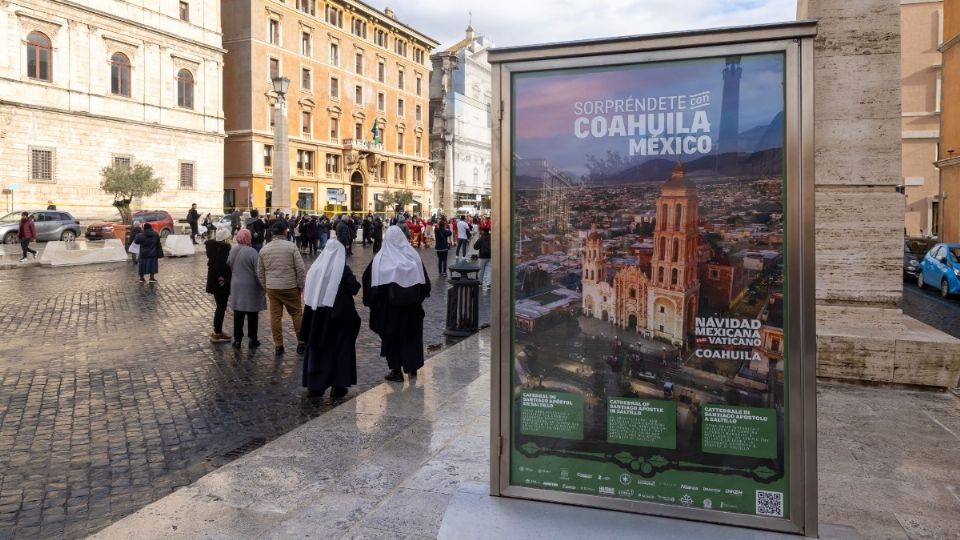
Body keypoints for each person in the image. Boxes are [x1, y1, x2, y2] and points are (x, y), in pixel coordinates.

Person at [362, 226, 431, 382]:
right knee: (411, 337)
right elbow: (425, 285)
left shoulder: (380, 261)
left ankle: (396, 370)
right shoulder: (414, 257)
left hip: (389, 312)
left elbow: (370, 285)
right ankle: (412, 366)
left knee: (392, 338)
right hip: (411, 310)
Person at [300, 238, 361, 398]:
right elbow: (354, 288)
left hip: (316, 315)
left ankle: (315, 385)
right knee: (340, 350)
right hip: (338, 317)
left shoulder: (315, 268)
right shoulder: (342, 269)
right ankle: (339, 385)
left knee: (317, 349)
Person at [256, 221, 306, 355]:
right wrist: (301, 286)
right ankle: (301, 343)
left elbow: (260, 272)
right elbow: (300, 269)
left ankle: (278, 345)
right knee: (296, 313)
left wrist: (266, 286)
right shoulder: (291, 247)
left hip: (273, 287)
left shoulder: (264, 249)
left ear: (272, 233)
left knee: (275, 316)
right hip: (290, 286)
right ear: (285, 231)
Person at [227, 229, 266, 348]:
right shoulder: (252, 252)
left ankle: (237, 340)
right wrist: (264, 286)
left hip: (237, 286)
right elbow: (258, 271)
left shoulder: (233, 249)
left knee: (238, 314)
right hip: (251, 287)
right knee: (252, 315)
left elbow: (228, 263)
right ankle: (252, 339)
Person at [205, 228, 233, 343]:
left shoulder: (213, 249)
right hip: (222, 283)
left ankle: (217, 331)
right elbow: (224, 269)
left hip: (215, 282)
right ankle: (217, 333)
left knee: (220, 307)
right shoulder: (224, 251)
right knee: (221, 307)